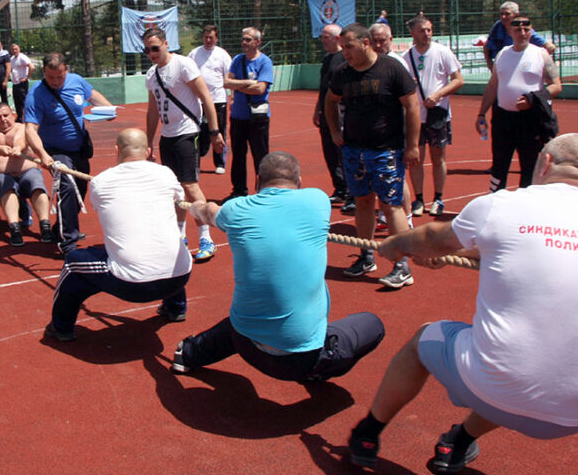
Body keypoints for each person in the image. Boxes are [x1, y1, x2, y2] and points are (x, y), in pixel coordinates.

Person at [347, 133, 578, 474]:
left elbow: (434, 237)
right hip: (577, 415)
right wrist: (449, 252)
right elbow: (520, 246)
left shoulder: (503, 205)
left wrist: (399, 245)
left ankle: (367, 432)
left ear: (546, 163)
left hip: (498, 391)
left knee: (426, 342)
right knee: (517, 362)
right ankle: (458, 442)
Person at [171, 151, 385, 383]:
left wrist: (200, 207)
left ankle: (189, 353)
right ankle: (318, 370)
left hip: (246, 343)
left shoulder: (236, 209)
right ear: (299, 182)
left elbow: (209, 212)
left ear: (256, 182)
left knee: (245, 318)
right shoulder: (318, 201)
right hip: (302, 359)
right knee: (373, 324)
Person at [44, 128, 192, 341]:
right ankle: (176, 307)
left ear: (116, 150)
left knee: (73, 263)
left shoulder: (101, 182)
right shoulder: (166, 173)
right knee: (163, 243)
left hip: (134, 285)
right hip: (180, 277)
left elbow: (102, 207)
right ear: (149, 151)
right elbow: (177, 198)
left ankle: (61, 327)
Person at [324, 23, 420, 289]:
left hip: (386, 151)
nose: (345, 53)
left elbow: (412, 106)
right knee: (363, 203)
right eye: (343, 48)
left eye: (349, 47)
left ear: (365, 43)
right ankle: (366, 255)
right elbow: (330, 101)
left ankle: (402, 265)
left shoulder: (391, 69)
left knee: (391, 205)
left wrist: (412, 145)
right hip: (354, 151)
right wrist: (334, 130)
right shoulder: (343, 73)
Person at [143, 27, 226, 262]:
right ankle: (180, 236)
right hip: (167, 137)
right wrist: (149, 141)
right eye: (147, 50)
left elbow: (206, 98)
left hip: (188, 133)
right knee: (174, 188)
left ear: (166, 44)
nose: (152, 53)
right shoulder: (151, 74)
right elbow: (152, 111)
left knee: (190, 185)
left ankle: (206, 237)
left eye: (155, 48)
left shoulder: (183, 65)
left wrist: (214, 131)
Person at [24, 52, 114, 254]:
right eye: (50, 77)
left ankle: (59, 229)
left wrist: (108, 109)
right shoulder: (36, 95)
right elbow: (30, 129)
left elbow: (93, 95)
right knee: (67, 187)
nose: (55, 82)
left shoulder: (76, 81)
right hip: (56, 150)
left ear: (67, 71)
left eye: (60, 77)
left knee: (80, 190)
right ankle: (68, 243)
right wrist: (44, 155)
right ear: (43, 73)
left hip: (79, 146)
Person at [477, 15, 562, 192]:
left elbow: (556, 86)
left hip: (530, 120)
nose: (522, 33)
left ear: (531, 31)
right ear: (511, 31)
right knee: (499, 165)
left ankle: (526, 208)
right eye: (517, 29)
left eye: (526, 29)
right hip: (503, 119)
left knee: (529, 166)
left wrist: (532, 99)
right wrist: (481, 113)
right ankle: (496, 205)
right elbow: (493, 85)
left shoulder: (540, 54)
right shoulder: (502, 54)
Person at [403, 16, 464, 217]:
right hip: (414, 118)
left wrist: (438, 95)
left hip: (438, 115)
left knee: (438, 158)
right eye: (422, 30)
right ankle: (419, 199)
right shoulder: (406, 58)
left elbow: (458, 80)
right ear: (413, 33)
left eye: (429, 30)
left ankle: (438, 198)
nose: (427, 34)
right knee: (415, 159)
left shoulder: (443, 52)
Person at [0, 103, 55, 246]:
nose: (3, 119)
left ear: (13, 115)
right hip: (0, 174)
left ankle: (45, 226)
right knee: (7, 187)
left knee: (36, 184)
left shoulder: (21, 127)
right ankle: (14, 228)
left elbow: (21, 140)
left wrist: (17, 148)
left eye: (6, 115)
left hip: (26, 171)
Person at [369, 23, 415, 229]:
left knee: (397, 175)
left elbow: (409, 103)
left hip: (396, 130)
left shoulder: (397, 64)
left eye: (383, 40)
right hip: (377, 132)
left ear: (391, 40)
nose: (379, 45)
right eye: (375, 40)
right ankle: (386, 216)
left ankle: (408, 218)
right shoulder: (369, 63)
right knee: (379, 175)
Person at [223, 26, 274, 200]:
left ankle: (264, 191)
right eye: (243, 39)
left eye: (248, 40)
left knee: (260, 155)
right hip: (238, 117)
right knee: (238, 155)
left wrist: (238, 85)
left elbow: (260, 89)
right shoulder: (238, 60)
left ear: (258, 42)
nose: (244, 43)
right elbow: (227, 82)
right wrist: (247, 83)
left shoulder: (265, 62)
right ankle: (239, 190)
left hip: (258, 118)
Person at [312, 23, 351, 209]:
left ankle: (351, 191)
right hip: (326, 113)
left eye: (326, 37)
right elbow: (323, 88)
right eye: (322, 37)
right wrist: (317, 109)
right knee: (329, 152)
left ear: (337, 38)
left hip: (341, 113)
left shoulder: (345, 58)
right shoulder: (327, 59)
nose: (322, 40)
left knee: (343, 152)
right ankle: (340, 188)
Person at [188, 25, 233, 174]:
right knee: (198, 131)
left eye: (211, 37)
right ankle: (196, 161)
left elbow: (230, 77)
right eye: (206, 37)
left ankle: (220, 163)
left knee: (219, 131)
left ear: (216, 38)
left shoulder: (222, 54)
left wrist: (232, 96)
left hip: (218, 100)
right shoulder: (194, 54)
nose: (208, 40)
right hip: (198, 101)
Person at [483, 1, 556, 71]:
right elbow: (486, 48)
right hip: (502, 69)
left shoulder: (524, 28)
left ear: (516, 14)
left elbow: (550, 47)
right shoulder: (498, 27)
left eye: (507, 14)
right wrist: (492, 68)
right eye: (501, 14)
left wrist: (535, 61)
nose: (503, 17)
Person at [8, 43, 35, 117]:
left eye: (16, 49)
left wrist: (26, 78)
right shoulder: (12, 59)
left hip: (22, 84)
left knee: (24, 102)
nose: (14, 51)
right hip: (15, 84)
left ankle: (28, 117)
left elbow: (32, 67)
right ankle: (19, 118)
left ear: (19, 49)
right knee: (17, 102)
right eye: (13, 49)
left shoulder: (22, 57)